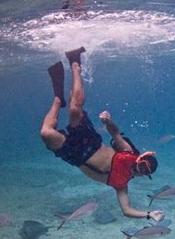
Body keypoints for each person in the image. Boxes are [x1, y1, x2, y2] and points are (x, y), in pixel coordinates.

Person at [40, 46, 164, 222]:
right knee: (75, 109)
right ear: (140, 158)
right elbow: (115, 134)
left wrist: (149, 214)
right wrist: (108, 122)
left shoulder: (122, 185)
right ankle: (75, 63)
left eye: (144, 172)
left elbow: (126, 210)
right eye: (142, 165)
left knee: (46, 133)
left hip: (75, 157)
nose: (139, 170)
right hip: (91, 143)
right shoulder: (128, 152)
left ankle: (58, 99)